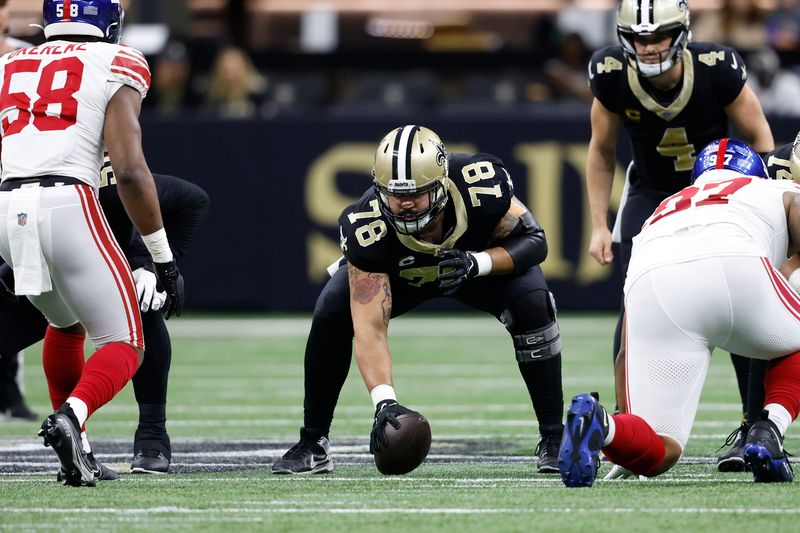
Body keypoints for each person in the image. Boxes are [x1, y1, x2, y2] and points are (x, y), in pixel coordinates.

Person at [272, 125, 565, 474]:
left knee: (533, 303)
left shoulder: (480, 185)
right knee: (331, 312)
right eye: (395, 195)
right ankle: (313, 441)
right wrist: (385, 403)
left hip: (473, 267)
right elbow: (370, 329)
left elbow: (535, 242)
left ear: (441, 184)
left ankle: (553, 436)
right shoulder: (368, 227)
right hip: (402, 275)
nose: (406, 204)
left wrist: (478, 262)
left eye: (417, 194)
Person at [0, 0, 184, 487]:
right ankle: (72, 416)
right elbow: (128, 169)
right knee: (126, 342)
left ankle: (78, 447)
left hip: (7, 204)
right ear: (110, 24)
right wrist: (162, 259)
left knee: (64, 321)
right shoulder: (118, 60)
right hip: (68, 199)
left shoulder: (10, 62)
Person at [585, 0, 774, 466]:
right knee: (637, 306)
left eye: (658, 36)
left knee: (740, 299)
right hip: (651, 194)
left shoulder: (717, 67)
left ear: (681, 33)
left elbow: (763, 141)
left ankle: (755, 425)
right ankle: (627, 425)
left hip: (717, 190)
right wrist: (598, 225)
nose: (648, 47)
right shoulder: (611, 74)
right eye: (640, 38)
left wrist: (760, 209)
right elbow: (601, 150)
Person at [560, 138, 800, 487]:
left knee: (662, 449)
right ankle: (769, 429)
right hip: (736, 263)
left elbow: (626, 346)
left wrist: (630, 418)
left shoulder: (664, 209)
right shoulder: (770, 188)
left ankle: (604, 427)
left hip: (654, 285)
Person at [0, 163, 209, 476]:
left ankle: (145, 436)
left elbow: (178, 197)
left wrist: (149, 264)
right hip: (48, 230)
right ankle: (76, 428)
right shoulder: (59, 160)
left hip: (43, 234)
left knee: (133, 303)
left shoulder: (104, 180)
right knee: (116, 334)